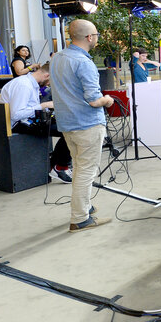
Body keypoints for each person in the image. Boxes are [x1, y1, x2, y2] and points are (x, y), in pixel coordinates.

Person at [50, 19, 114, 232]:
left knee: (79, 167)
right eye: (96, 34)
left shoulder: (57, 58)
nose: (96, 38)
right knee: (86, 171)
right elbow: (94, 100)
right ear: (89, 37)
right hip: (87, 124)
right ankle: (79, 218)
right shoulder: (84, 63)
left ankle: (84, 206)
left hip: (68, 123)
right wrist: (108, 99)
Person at [0, 63, 73, 182]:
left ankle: (54, 164)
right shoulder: (24, 85)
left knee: (71, 123)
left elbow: (30, 107)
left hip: (27, 120)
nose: (50, 85)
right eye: (52, 81)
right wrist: (43, 105)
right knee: (70, 129)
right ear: (47, 75)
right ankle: (58, 167)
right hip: (18, 124)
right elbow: (16, 114)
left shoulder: (30, 83)